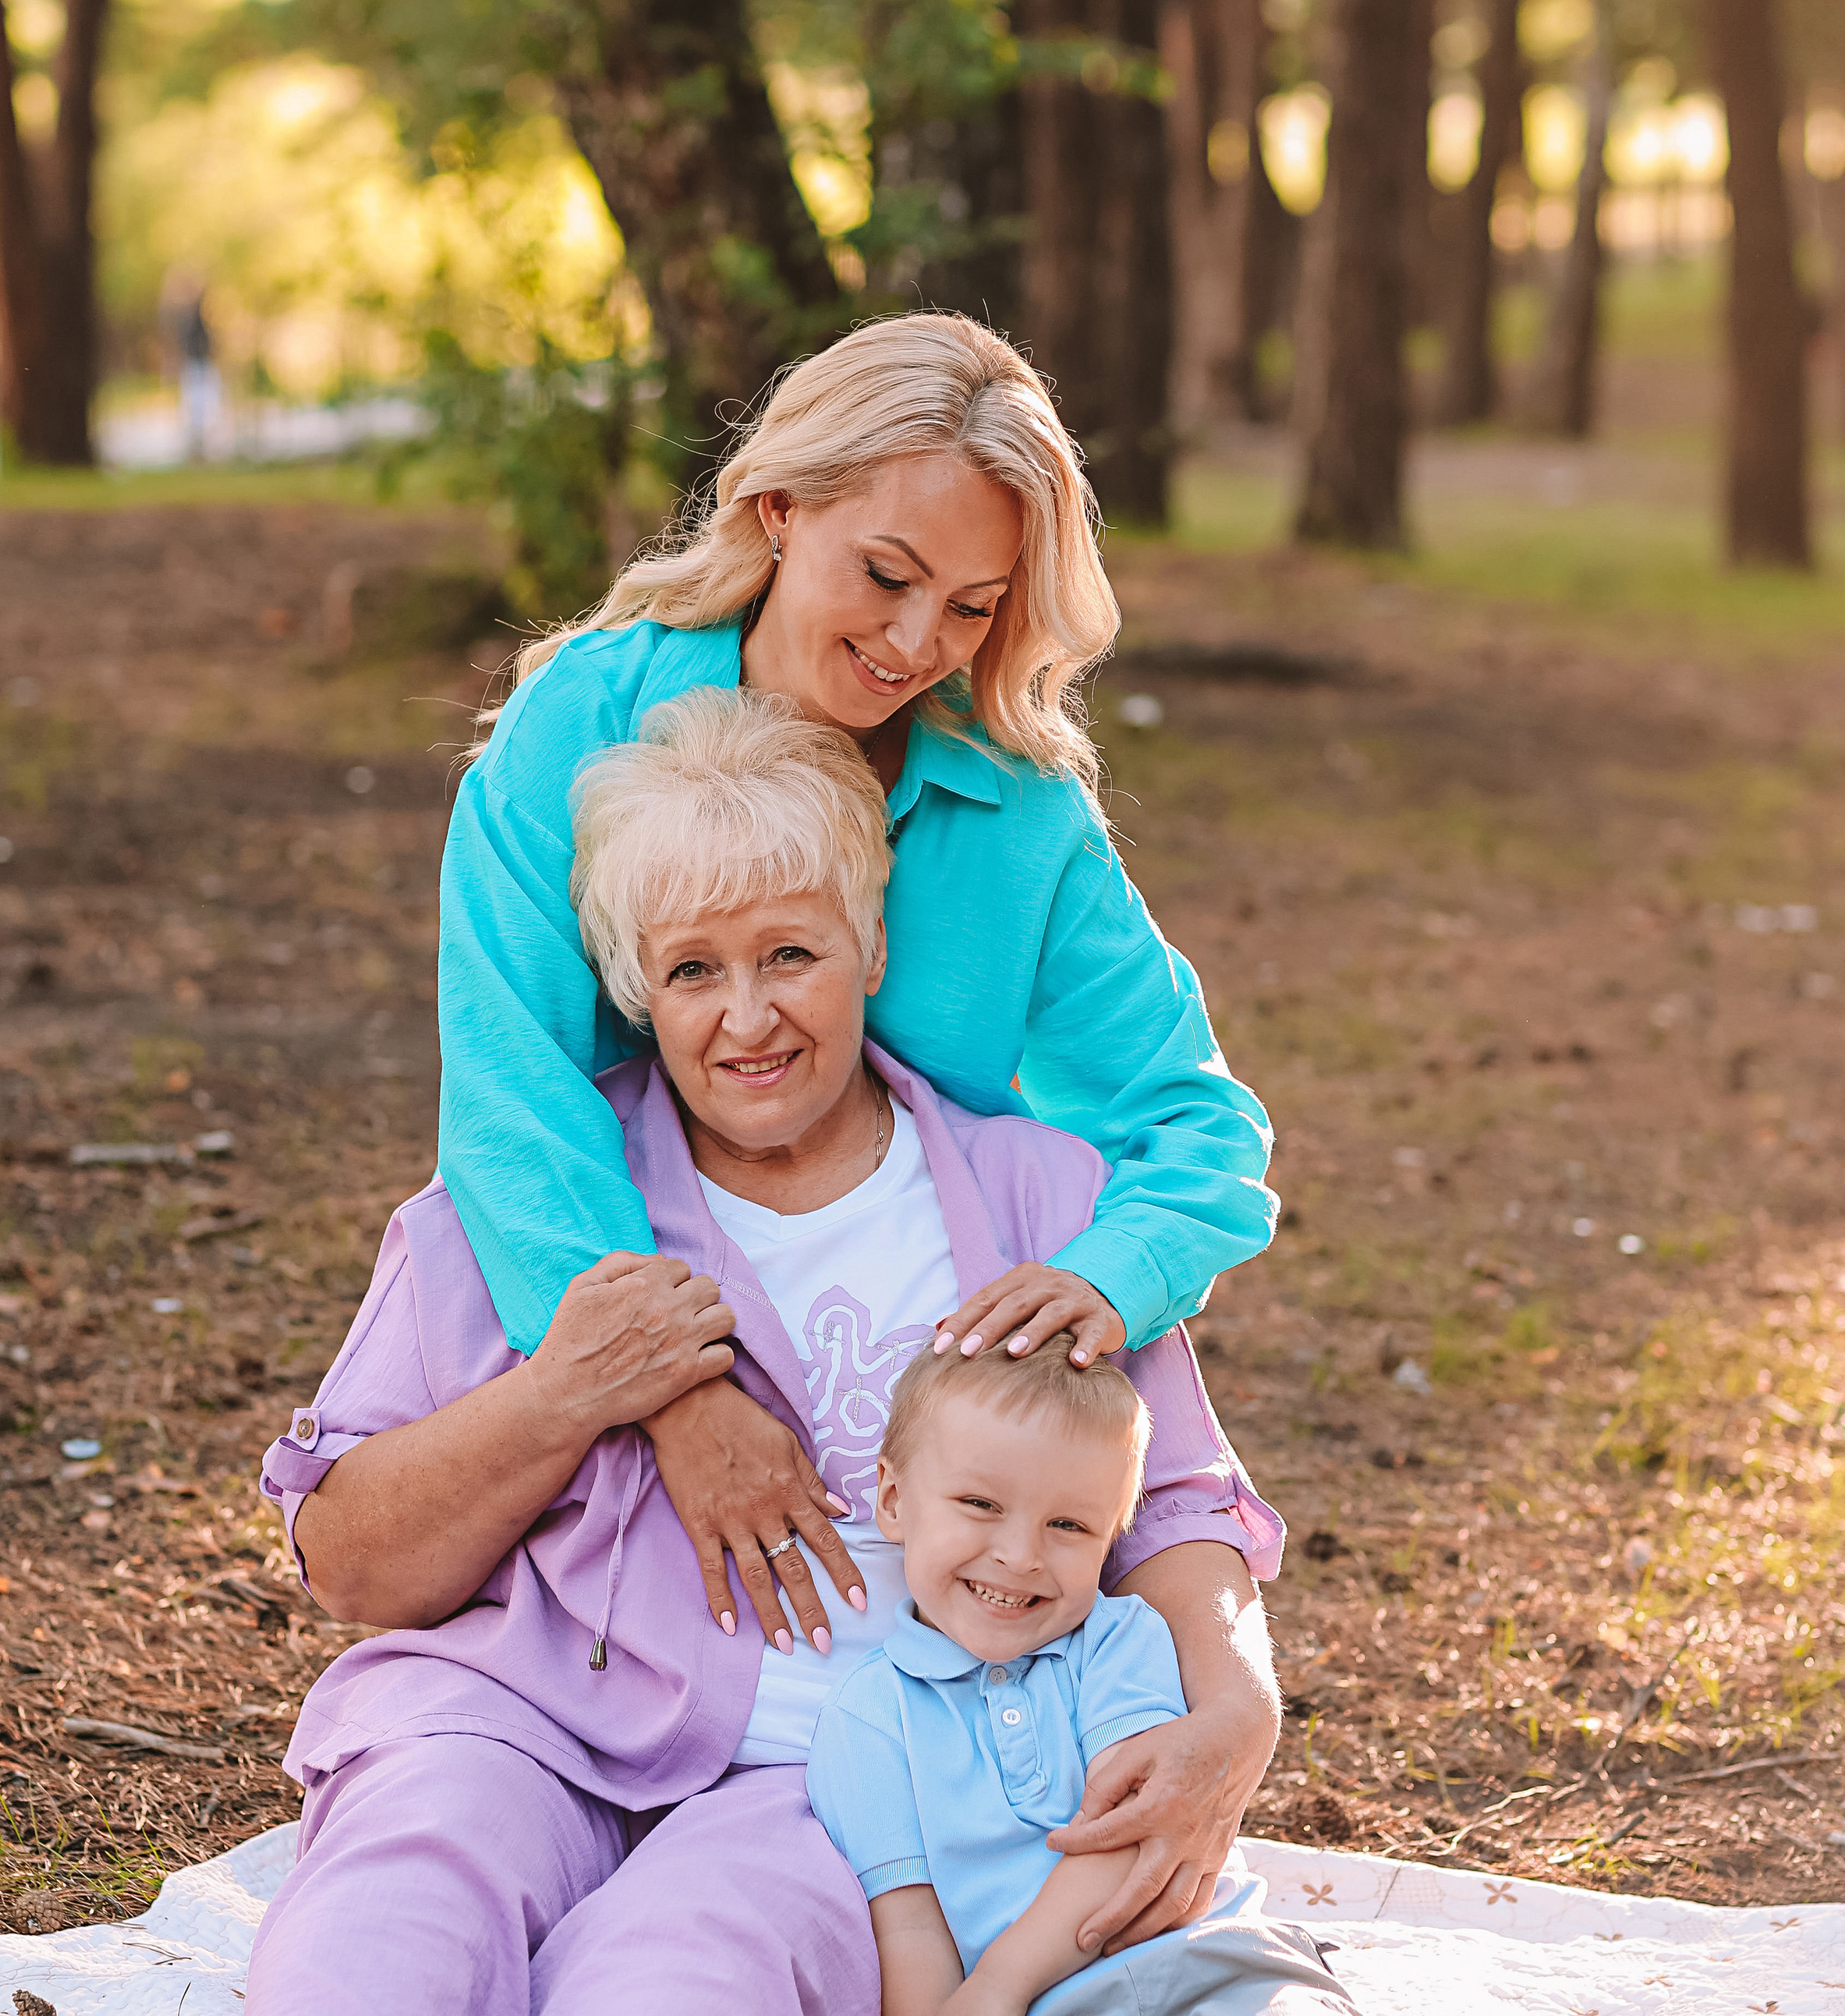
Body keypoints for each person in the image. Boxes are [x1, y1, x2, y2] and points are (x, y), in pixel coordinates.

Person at [153, 692, 1285, 2016]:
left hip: (860, 1753)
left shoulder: (1039, 1195)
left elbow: (1181, 1500)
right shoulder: (518, 1209)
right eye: (692, 973)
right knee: (424, 1834)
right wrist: (563, 1395)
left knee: (708, 1935)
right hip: (532, 1692)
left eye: (790, 956)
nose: (747, 1017)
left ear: (867, 945)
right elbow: (361, 1569)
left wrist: (1230, 1705)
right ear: (631, 989)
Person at [435, 315, 1279, 1905]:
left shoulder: (1016, 806)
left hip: (926, 1426)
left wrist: (1104, 1278)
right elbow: (512, 1096)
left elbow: (1199, 1129)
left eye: (969, 608)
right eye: (883, 577)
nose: (913, 645)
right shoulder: (580, 725)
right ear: (775, 514)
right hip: (624, 1378)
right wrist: (670, 1396)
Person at [804, 1338, 1569, 2016]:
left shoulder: (1119, 1642)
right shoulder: (865, 1723)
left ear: (1116, 1534)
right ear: (894, 1498)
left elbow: (1126, 1834)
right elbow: (911, 1928)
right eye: (979, 1506)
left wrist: (998, 1986)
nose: (1021, 1557)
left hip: (1192, 1958)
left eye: (1069, 1525)